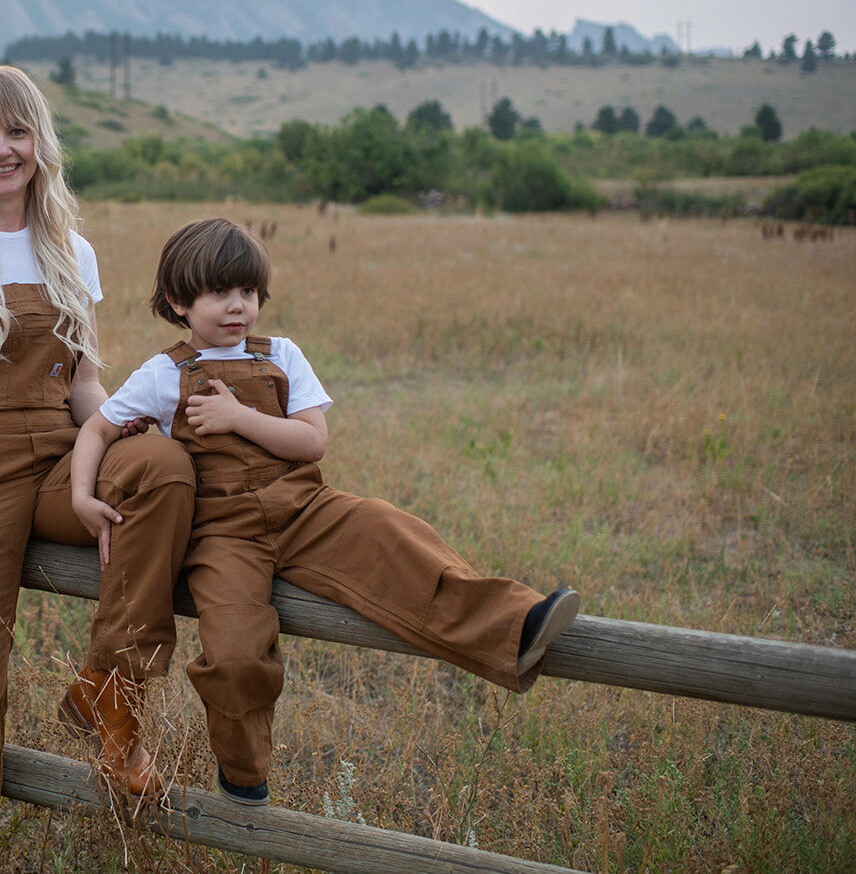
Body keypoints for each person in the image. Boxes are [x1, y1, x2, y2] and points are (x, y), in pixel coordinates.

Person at [71, 217, 580, 806]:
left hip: (305, 509)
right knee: (236, 651)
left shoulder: (282, 355)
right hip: (222, 534)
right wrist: (84, 496)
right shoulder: (163, 373)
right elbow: (97, 429)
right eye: (219, 293)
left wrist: (241, 419)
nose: (237, 307)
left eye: (248, 293)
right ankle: (242, 773)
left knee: (395, 535)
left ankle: (517, 627)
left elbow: (312, 441)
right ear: (179, 301)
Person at [0, 66, 196, 874]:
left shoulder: (68, 246)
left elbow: (85, 381)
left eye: (15, 132)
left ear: (39, 143)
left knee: (160, 465)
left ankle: (109, 697)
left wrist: (123, 440)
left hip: (56, 454)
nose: (1, 149)